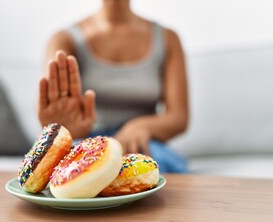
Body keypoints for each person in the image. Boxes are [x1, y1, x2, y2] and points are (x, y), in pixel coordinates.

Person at [37, 0, 189, 173]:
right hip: (86, 142)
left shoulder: (168, 38)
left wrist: (140, 127)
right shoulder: (64, 39)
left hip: (142, 145)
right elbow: (56, 112)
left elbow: (179, 117)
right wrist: (63, 130)